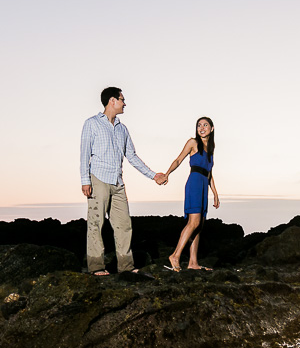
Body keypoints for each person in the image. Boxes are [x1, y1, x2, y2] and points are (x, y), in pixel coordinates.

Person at [80, 86, 166, 275]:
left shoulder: (122, 129)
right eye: (122, 99)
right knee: (96, 224)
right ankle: (96, 268)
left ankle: (126, 267)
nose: (124, 103)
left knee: (124, 224)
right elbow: (84, 154)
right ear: (112, 101)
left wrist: (153, 175)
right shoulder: (92, 124)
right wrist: (85, 180)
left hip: (117, 182)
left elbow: (132, 156)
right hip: (98, 179)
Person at [162, 117, 220, 271]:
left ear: (212, 128)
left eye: (205, 125)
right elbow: (178, 159)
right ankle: (175, 255)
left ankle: (193, 263)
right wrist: (167, 174)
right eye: (199, 125)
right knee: (193, 222)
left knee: (199, 225)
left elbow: (209, 173)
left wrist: (215, 193)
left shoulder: (211, 148)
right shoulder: (193, 142)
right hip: (194, 183)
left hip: (203, 185)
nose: (202, 128)